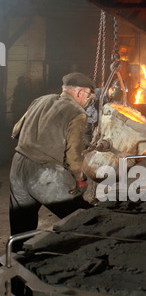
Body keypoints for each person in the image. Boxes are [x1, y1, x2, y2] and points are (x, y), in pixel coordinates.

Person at [9, 72, 95, 243]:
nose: (88, 101)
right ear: (80, 92)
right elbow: (73, 157)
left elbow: (15, 130)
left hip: (18, 167)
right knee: (82, 217)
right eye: (89, 96)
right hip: (45, 173)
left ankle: (16, 260)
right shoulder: (77, 112)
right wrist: (79, 178)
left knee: (21, 225)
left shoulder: (40, 100)